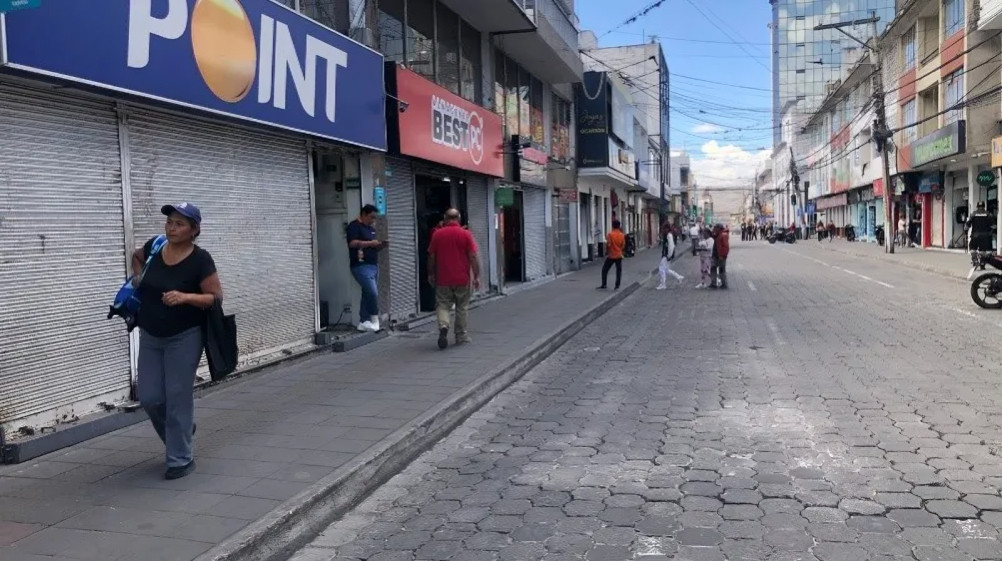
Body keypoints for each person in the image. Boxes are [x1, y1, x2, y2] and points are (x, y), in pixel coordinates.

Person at [131, 203, 222, 480]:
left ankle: (180, 459)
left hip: (184, 336)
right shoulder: (155, 247)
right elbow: (137, 257)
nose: (171, 228)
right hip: (150, 335)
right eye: (169, 222)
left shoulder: (200, 259)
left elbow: (215, 297)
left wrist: (185, 297)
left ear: (194, 230)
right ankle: (182, 431)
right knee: (149, 397)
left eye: (179, 224)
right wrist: (137, 277)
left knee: (177, 397)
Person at [427, 209, 480, 350]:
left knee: (442, 305)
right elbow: (473, 256)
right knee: (462, 307)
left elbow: (431, 256)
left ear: (445, 218)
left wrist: (431, 273)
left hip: (443, 278)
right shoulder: (466, 234)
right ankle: (460, 335)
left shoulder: (437, 234)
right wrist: (477, 275)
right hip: (462, 278)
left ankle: (444, 326)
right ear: (459, 218)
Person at [346, 204, 386, 332]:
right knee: (373, 292)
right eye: (371, 217)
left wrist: (381, 245)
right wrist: (370, 243)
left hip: (373, 264)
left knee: (367, 293)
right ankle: (375, 320)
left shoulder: (371, 229)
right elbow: (352, 243)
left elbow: (373, 246)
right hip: (360, 265)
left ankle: (363, 321)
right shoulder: (354, 226)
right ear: (363, 214)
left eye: (375, 218)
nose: (373, 220)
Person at [598, 220, 626, 290]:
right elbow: (623, 245)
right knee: (618, 270)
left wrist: (607, 251)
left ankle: (604, 284)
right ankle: (617, 285)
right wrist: (619, 250)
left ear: (613, 226)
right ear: (619, 226)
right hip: (619, 255)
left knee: (605, 269)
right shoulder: (622, 235)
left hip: (611, 255)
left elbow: (609, 245)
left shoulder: (610, 234)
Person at [657, 225, 684, 289]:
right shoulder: (667, 235)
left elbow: (671, 246)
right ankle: (678, 277)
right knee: (666, 269)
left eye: (664, 229)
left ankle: (663, 284)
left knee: (661, 268)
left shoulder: (669, 236)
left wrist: (669, 255)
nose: (663, 230)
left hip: (667, 255)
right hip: (667, 254)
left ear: (667, 229)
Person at [710, 224, 730, 290]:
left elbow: (725, 247)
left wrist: (722, 255)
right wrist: (713, 231)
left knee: (721, 270)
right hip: (716, 255)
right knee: (713, 268)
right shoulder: (719, 234)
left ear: (719, 228)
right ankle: (714, 283)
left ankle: (724, 283)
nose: (714, 229)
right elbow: (713, 236)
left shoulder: (723, 235)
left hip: (720, 256)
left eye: (715, 228)